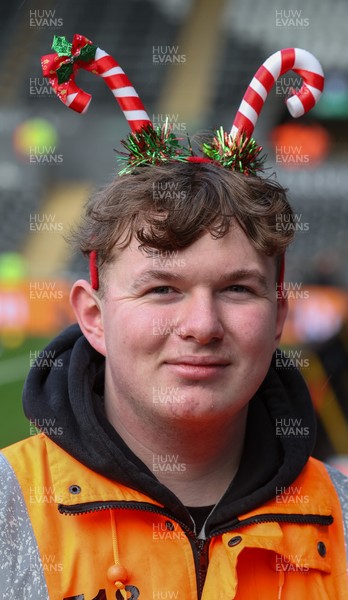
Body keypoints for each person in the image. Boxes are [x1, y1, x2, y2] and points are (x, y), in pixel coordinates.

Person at [1, 34, 347, 599]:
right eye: (162, 289)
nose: (202, 325)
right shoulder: (8, 511)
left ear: (278, 315)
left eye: (237, 289)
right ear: (93, 317)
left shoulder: (342, 519)